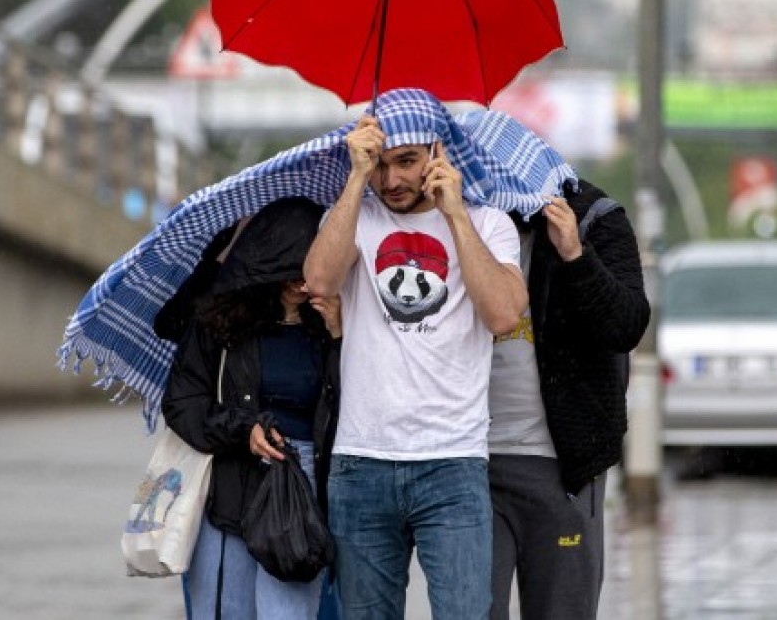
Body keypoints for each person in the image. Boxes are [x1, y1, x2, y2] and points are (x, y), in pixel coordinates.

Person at [303, 88, 527, 620]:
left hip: (452, 463)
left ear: (438, 154)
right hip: (361, 465)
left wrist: (455, 216)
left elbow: (503, 315)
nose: (392, 180)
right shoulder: (357, 215)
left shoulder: (489, 224)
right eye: (380, 165)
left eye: (405, 162)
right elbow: (318, 279)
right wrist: (355, 179)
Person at [162, 197, 342, 620]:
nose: (302, 279)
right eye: (291, 265)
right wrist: (243, 431)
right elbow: (183, 401)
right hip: (232, 494)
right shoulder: (220, 323)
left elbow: (360, 405)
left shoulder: (337, 323)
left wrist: (338, 334)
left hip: (305, 495)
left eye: (313, 262)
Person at [487, 178, 650, 620]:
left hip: (563, 464)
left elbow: (626, 325)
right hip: (468, 464)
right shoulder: (453, 219)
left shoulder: (594, 216)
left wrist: (576, 255)